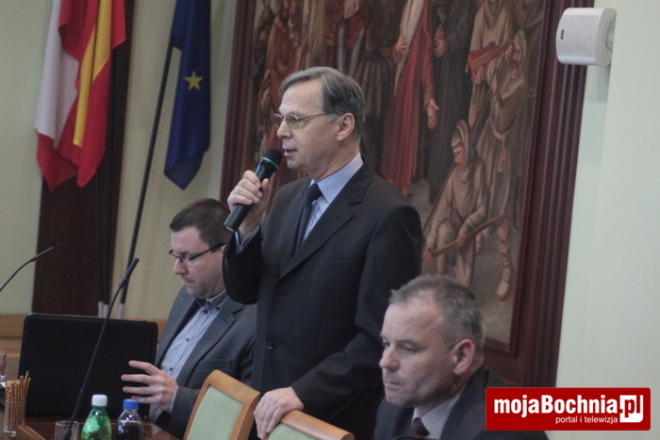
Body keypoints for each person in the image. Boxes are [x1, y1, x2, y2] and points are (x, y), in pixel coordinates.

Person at [224, 66, 423, 440]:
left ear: (343, 126)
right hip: (267, 411)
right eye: (281, 119)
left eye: (296, 120)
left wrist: (303, 392)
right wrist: (248, 228)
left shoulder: (389, 214)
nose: (281, 132)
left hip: (329, 420)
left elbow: (379, 340)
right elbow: (244, 291)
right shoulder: (286, 198)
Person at [121, 199, 256, 439]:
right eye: (176, 256)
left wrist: (176, 399)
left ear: (225, 252)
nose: (177, 269)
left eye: (188, 257)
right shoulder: (186, 296)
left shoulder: (254, 322)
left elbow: (249, 416)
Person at [375, 275, 548, 440]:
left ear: (460, 357)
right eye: (386, 344)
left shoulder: (506, 433)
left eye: (408, 349)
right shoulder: (395, 409)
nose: (385, 362)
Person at [423, 120, 487, 287]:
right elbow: (440, 213)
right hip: (453, 230)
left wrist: (466, 228)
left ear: (467, 148)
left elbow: (483, 210)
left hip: (469, 232)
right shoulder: (453, 176)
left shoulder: (478, 170)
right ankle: (440, 279)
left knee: (462, 286)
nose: (457, 159)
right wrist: (430, 242)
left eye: (460, 153)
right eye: (454, 154)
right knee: (443, 230)